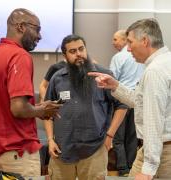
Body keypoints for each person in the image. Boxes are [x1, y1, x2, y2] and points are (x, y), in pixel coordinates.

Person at [88, 18, 171, 179]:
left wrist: (148, 169)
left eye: (130, 42)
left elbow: (153, 120)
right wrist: (115, 86)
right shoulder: (165, 61)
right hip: (159, 149)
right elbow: (140, 101)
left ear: (145, 41)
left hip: (161, 152)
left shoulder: (155, 71)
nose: (128, 48)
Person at [44, 34, 128, 180]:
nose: (79, 54)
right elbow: (47, 112)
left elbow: (122, 105)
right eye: (73, 51)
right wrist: (50, 140)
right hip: (62, 149)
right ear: (65, 55)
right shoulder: (57, 78)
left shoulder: (104, 76)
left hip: (95, 150)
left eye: (81, 49)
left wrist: (110, 136)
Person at [0, 8, 61, 176]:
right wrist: (42, 110)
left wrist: (36, 108)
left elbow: (1, 104)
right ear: (21, 27)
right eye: (37, 29)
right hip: (17, 152)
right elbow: (18, 108)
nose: (40, 36)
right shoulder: (19, 56)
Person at [109, 30, 144, 176]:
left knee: (118, 138)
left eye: (115, 39)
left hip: (121, 100)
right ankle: (131, 167)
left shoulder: (118, 57)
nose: (113, 42)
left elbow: (112, 78)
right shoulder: (140, 59)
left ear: (124, 40)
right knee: (132, 138)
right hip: (136, 100)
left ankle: (122, 169)